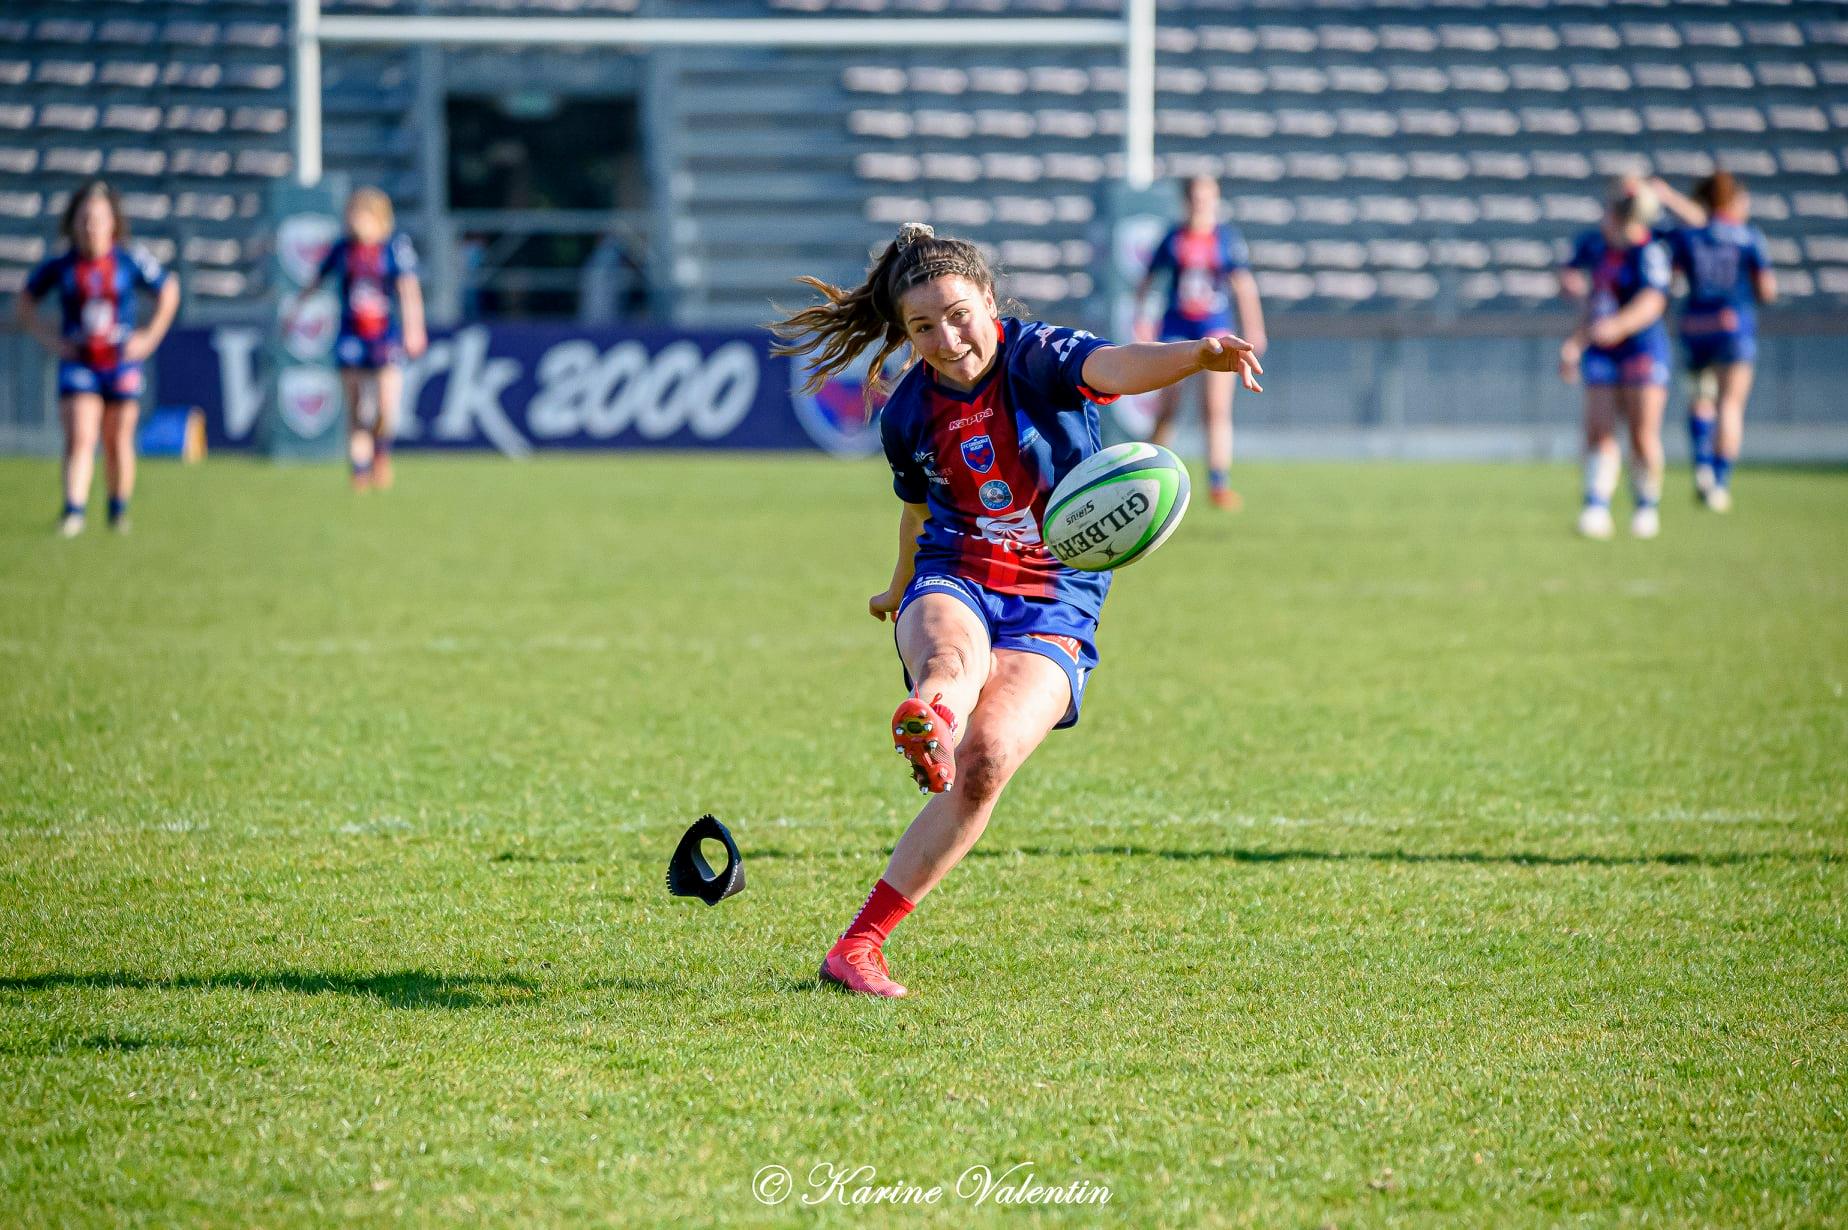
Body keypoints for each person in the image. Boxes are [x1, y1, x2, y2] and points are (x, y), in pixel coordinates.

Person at [770, 223, 1263, 998]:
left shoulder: (1040, 355)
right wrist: (898, 586)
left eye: (959, 315)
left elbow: (1120, 366)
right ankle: (930, 719)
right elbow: (917, 512)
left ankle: (858, 943)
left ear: (989, 301)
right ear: (904, 333)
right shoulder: (907, 413)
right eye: (922, 328)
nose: (947, 338)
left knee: (989, 758)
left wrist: (1196, 356)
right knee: (950, 665)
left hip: (1060, 594)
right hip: (956, 569)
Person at [15, 180, 180, 536]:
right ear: (73, 223)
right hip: (80, 361)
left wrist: (149, 337)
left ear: (113, 223)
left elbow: (168, 290)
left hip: (120, 360)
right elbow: (25, 302)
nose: (91, 226)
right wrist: (51, 340)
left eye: (98, 218)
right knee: (81, 434)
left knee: (118, 438)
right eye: (85, 219)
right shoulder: (62, 265)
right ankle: (74, 510)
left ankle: (117, 511)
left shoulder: (130, 260)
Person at [1133, 175, 1267, 511]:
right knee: (1168, 408)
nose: (1201, 203)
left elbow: (1243, 285)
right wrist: (1143, 320)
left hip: (1217, 327)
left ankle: (1219, 483)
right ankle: (1145, 479)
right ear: (1186, 200)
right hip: (1177, 327)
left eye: (1207, 197)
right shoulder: (1173, 238)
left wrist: (1254, 327)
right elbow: (1148, 282)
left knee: (1216, 408)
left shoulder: (1226, 239)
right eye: (1195, 197)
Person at [1648, 172, 1777, 512]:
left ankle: (1702, 465)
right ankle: (1719, 483)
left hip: (1695, 326)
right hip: (1733, 327)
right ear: (1733, 200)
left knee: (1700, 401)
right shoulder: (1749, 238)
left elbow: (1671, 280)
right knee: (1730, 406)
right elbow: (1767, 290)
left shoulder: (1689, 237)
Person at [1558, 179, 1673, 540]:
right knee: (1599, 428)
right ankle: (1596, 505)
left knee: (1642, 434)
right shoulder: (1594, 247)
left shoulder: (1648, 251)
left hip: (1641, 347)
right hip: (1602, 349)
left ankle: (1646, 505)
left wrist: (1619, 326)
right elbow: (1584, 293)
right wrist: (1576, 341)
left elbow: (1653, 301)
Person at [291, 187, 426, 489]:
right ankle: (360, 472)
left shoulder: (394, 248)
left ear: (379, 219)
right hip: (350, 336)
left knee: (386, 409)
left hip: (384, 337)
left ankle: (380, 451)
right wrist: (294, 313)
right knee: (356, 407)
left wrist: (414, 329)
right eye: (353, 216)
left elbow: (408, 289)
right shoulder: (342, 249)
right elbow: (315, 281)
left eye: (362, 216)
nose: (356, 222)